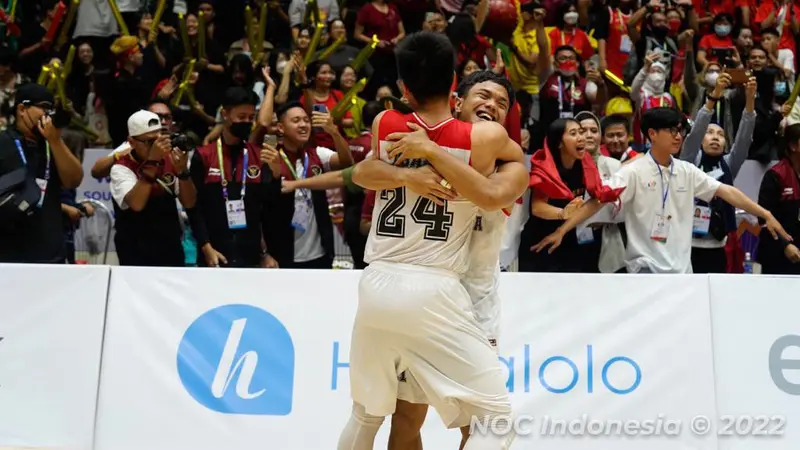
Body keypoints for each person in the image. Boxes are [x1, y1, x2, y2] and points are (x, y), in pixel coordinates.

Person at [337, 31, 527, 450]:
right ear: (456, 89)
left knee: (366, 413)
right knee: (489, 420)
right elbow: (364, 173)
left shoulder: (387, 125)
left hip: (387, 283)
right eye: (483, 95)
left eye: (500, 101)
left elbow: (364, 172)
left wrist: (420, 159)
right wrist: (413, 172)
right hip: (437, 287)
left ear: (405, 88)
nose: (490, 105)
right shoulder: (484, 141)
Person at [534, 107, 792, 274]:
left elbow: (726, 191)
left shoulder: (687, 170)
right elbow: (597, 202)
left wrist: (765, 214)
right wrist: (562, 230)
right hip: (645, 269)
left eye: (680, 131)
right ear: (652, 134)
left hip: (682, 271)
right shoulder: (633, 171)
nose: (678, 136)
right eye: (671, 131)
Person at [186, 87, 280, 268]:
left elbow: (269, 209)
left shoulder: (259, 156)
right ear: (225, 114)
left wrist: (276, 176)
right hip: (213, 255)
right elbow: (194, 207)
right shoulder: (204, 155)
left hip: (251, 256)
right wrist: (206, 247)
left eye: (251, 118)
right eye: (241, 117)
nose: (246, 122)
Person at [260, 100, 355, 269]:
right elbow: (261, 207)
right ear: (281, 128)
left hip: (320, 253)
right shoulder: (271, 158)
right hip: (282, 253)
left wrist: (334, 132)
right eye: (296, 121)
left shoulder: (316, 154)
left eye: (306, 120)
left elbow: (347, 164)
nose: (304, 125)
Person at [680, 75, 755, 273]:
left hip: (719, 244)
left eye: (720, 135)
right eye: (710, 132)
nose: (715, 138)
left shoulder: (730, 163)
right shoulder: (689, 161)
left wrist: (749, 102)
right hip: (686, 245)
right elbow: (694, 134)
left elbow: (744, 140)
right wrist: (714, 97)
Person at [0, 84, 83, 263]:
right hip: (9, 251)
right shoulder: (4, 142)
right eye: (44, 107)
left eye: (51, 109)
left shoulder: (52, 144)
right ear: (22, 109)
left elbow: (74, 180)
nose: (48, 114)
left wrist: (55, 140)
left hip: (50, 251)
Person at [109, 110, 196, 266]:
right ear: (132, 141)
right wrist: (153, 161)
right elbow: (136, 204)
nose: (157, 146)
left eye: (159, 140)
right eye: (150, 142)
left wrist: (183, 173)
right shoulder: (121, 168)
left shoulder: (170, 160)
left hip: (170, 247)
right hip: (135, 250)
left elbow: (189, 203)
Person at [757, 123, 800, 274]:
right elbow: (764, 218)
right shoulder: (776, 175)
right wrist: (785, 246)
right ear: (793, 146)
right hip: (778, 255)